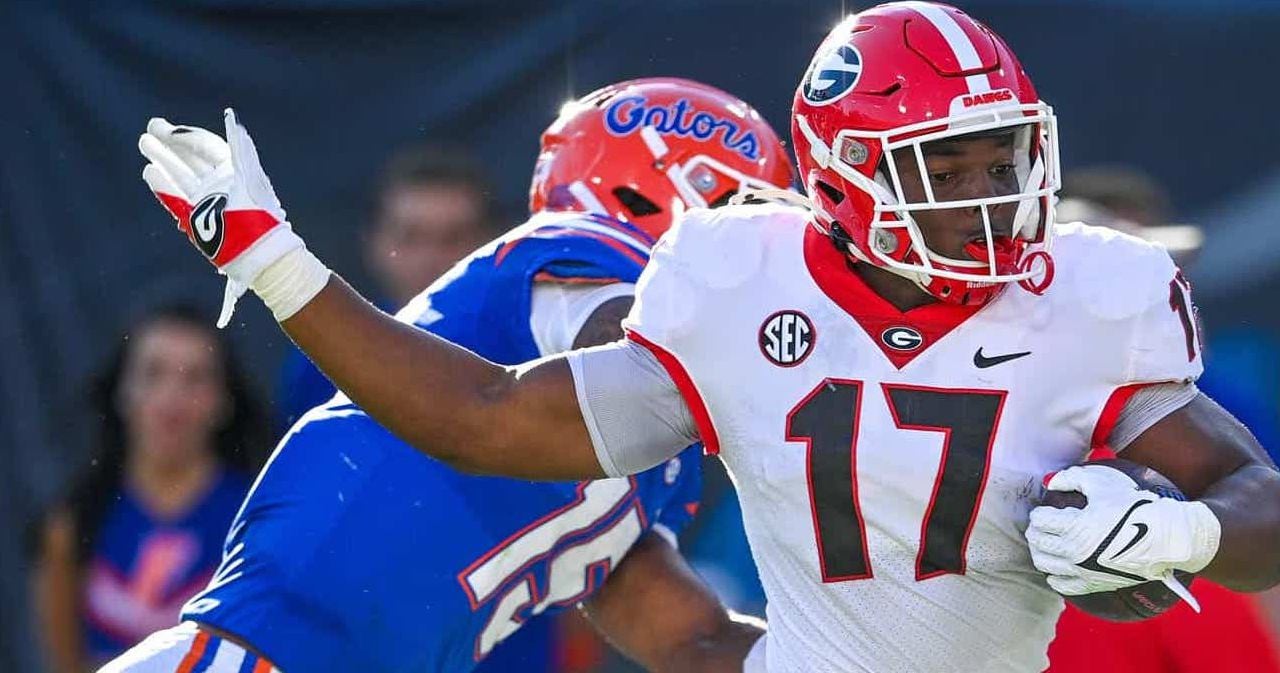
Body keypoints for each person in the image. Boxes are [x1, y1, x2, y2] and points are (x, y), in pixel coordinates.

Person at [136, 3, 1280, 670]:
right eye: (946, 167)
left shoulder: (1087, 296)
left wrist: (1178, 526)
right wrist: (274, 261)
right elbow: (493, 416)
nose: (987, 195)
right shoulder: (722, 294)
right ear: (839, 170)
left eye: (1001, 159)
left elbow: (1256, 506)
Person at [116, 77, 794, 672]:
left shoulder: (663, 450)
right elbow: (612, 347)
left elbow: (693, 642)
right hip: (268, 649)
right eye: (746, 214)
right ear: (662, 199)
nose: (766, 254)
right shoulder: (587, 266)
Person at [33, 303, 268, 673]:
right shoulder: (72, 525)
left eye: (195, 377)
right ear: (122, 389)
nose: (172, 397)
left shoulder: (259, 522)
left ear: (224, 400)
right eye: (152, 373)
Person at [276, 146, 497, 429]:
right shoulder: (326, 352)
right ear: (375, 242)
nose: (431, 257)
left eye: (453, 237)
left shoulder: (534, 341)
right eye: (411, 237)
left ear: (493, 241)